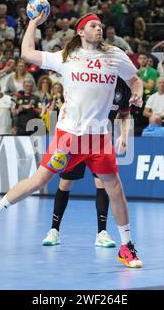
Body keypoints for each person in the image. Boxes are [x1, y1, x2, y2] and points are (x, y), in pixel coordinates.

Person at [0, 12, 144, 268]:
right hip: (69, 136)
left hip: (99, 137)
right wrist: (32, 22)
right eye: (93, 26)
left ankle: (126, 246)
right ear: (81, 32)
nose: (99, 28)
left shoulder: (115, 55)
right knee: (39, 180)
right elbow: (28, 53)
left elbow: (134, 79)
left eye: (100, 25)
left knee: (116, 188)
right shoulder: (66, 57)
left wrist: (138, 92)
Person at [42, 77, 132, 248]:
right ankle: (54, 230)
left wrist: (124, 135)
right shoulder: (97, 81)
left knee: (102, 184)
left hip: (99, 143)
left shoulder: (123, 89)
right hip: (77, 140)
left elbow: (124, 114)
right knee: (65, 183)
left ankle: (102, 233)